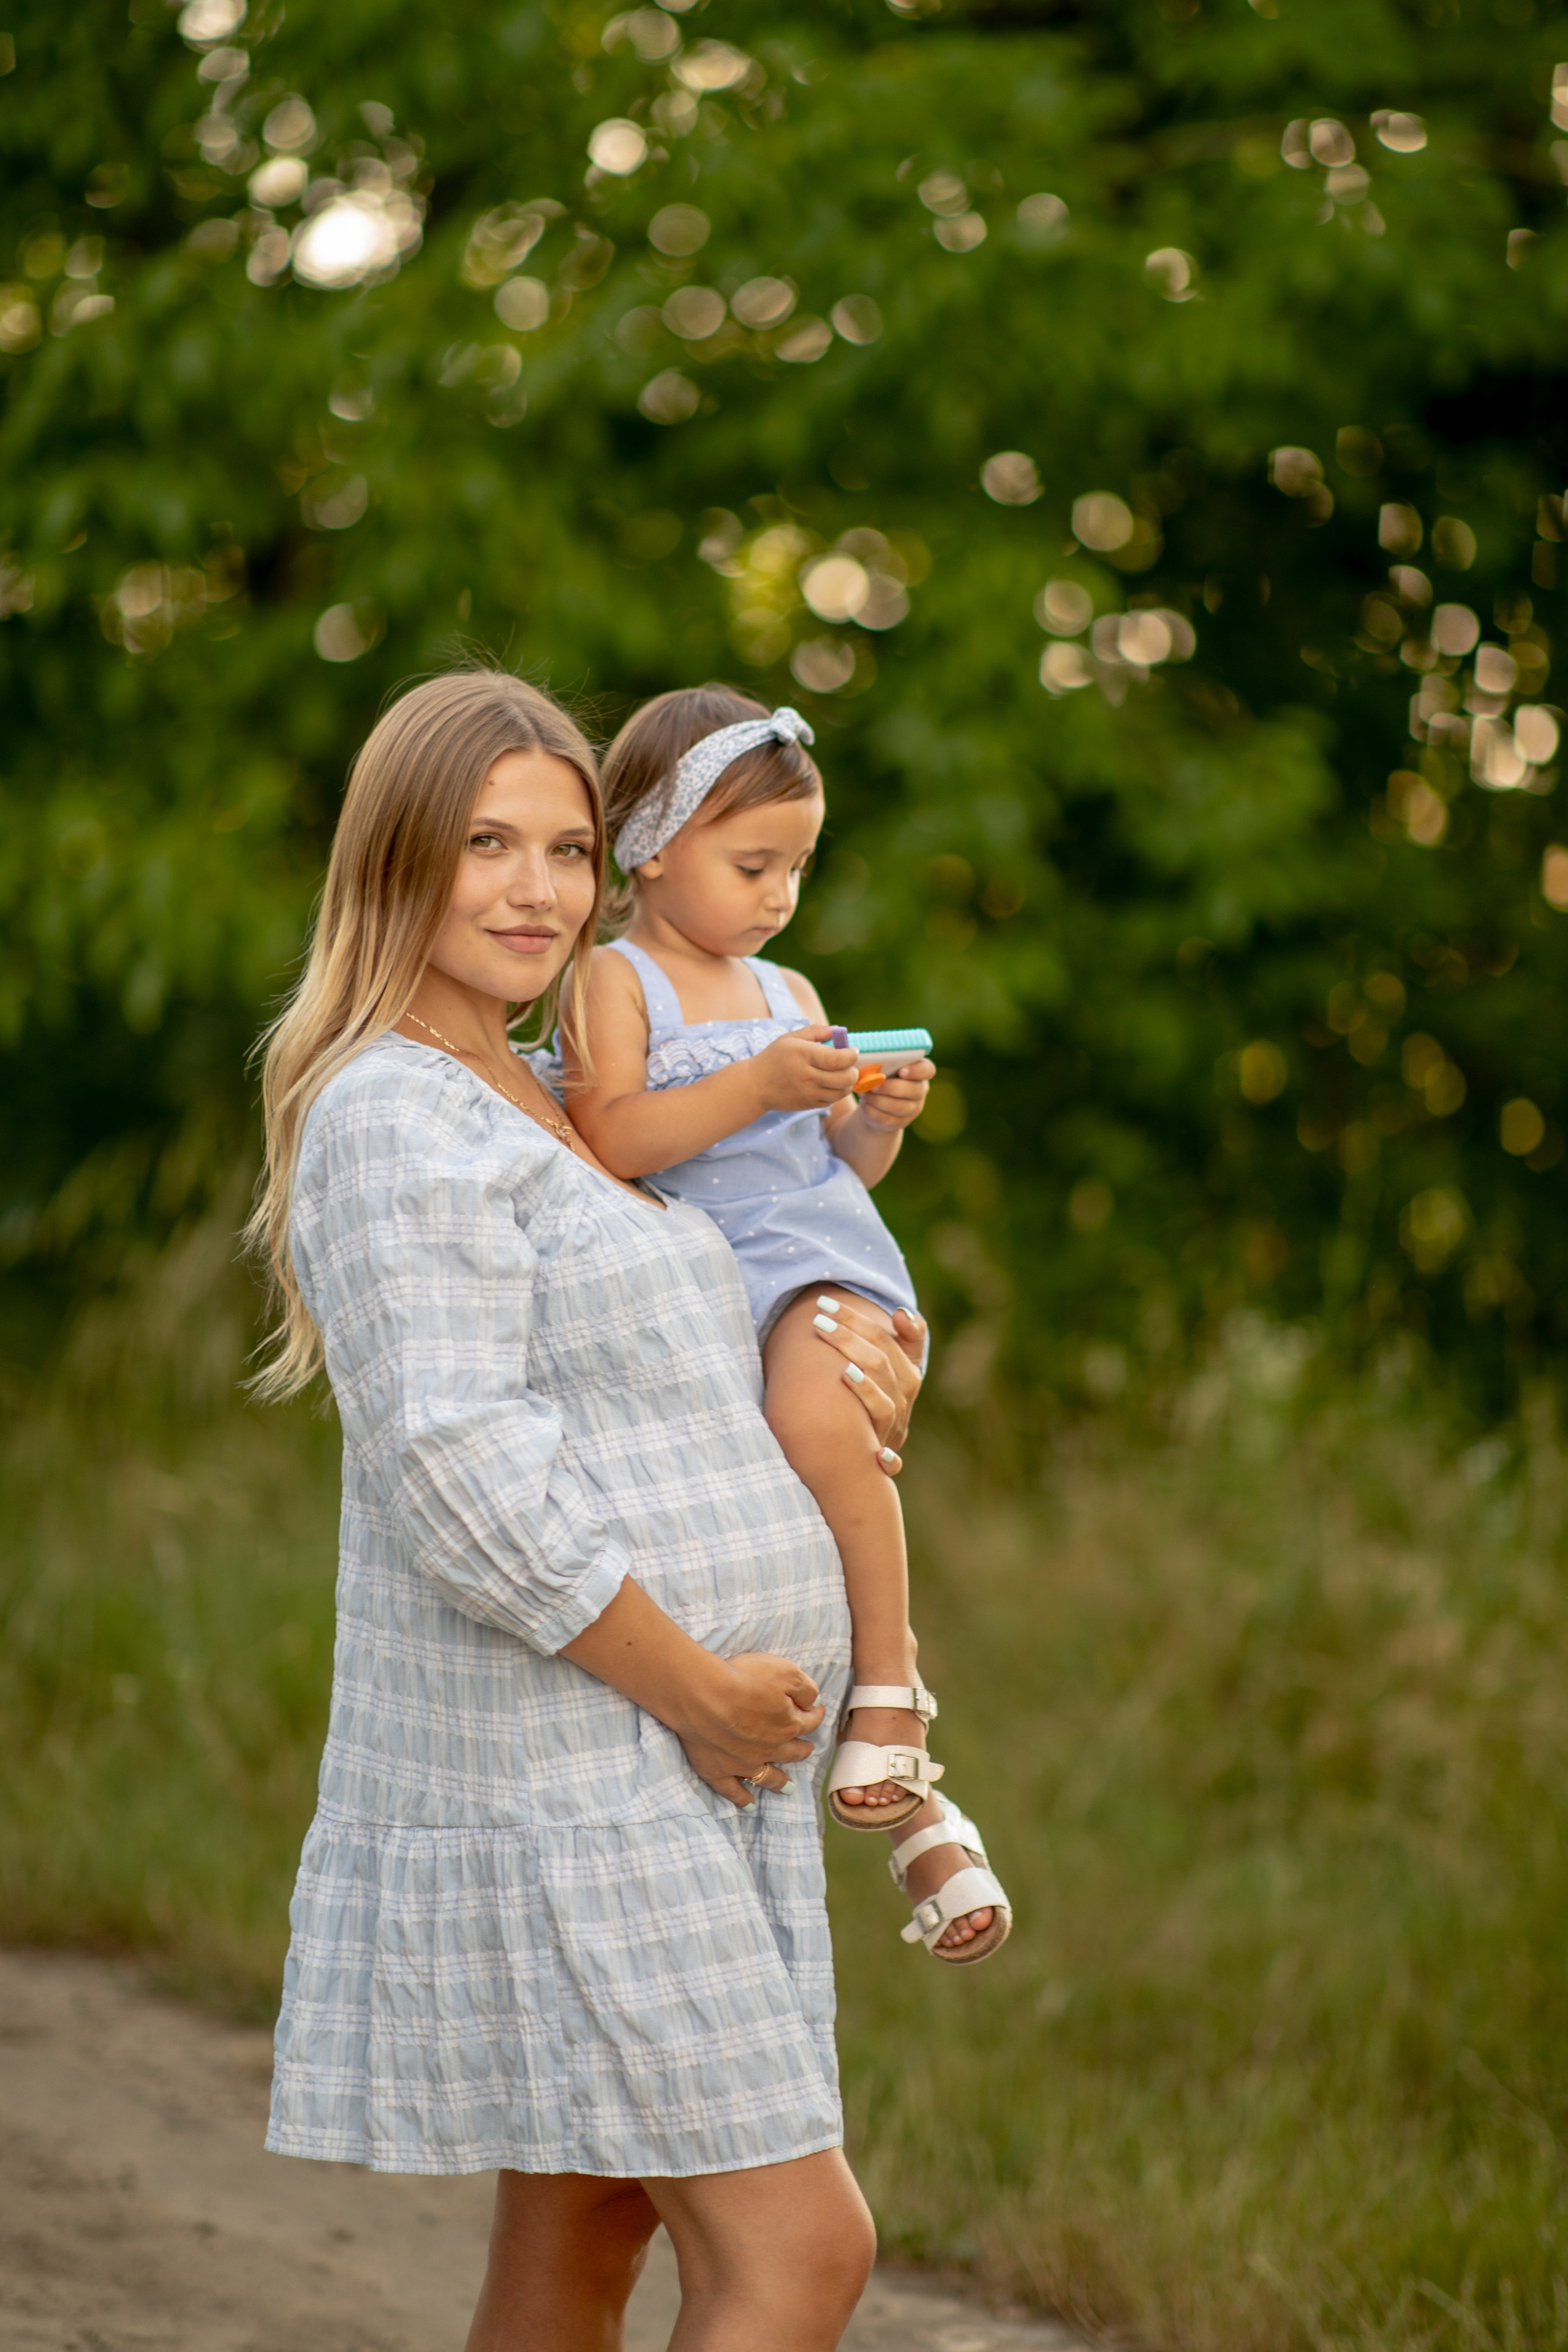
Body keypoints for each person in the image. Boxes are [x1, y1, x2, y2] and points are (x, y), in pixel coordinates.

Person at [246, 668, 935, 2350]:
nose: (538, 890)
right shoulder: (396, 1112)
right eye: (487, 843)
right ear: (396, 859)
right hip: (582, 1761)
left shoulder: (547, 1090)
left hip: (671, 1769)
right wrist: (696, 1687)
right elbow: (458, 1472)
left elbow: (667, 1362)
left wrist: (853, 1367)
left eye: (566, 847)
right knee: (797, 2254)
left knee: (586, 2241)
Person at [564, 684, 1010, 1966]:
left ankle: (891, 1692)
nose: (776, 897)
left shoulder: (784, 986)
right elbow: (611, 1132)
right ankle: (917, 1815)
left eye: (796, 871)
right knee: (772, 1529)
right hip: (719, 1289)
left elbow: (827, 1176)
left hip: (809, 1270)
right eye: (752, 863)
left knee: (821, 1421)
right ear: (649, 844)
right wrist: (760, 1083)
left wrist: (872, 1117)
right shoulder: (618, 978)